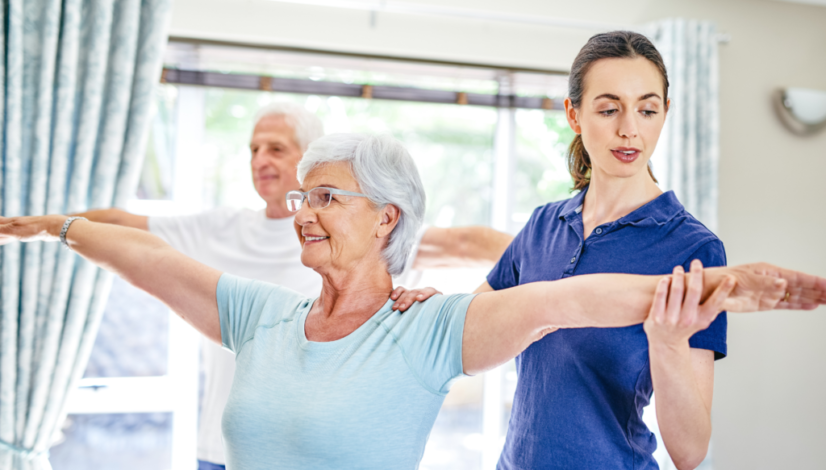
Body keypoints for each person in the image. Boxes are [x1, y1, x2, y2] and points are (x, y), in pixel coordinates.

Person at [3, 133, 824, 469]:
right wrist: (62, 225)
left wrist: (718, 287)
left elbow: (569, 300)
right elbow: (148, 258)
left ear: (386, 218)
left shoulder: (432, 330)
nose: (305, 212)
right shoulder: (261, 314)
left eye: (326, 196)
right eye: (302, 200)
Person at [76, 103, 510, 470]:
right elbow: (132, 238)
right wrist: (55, 225)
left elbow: (473, 244)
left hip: (319, 444)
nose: (260, 160)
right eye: (254, 149)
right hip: (224, 444)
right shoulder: (221, 228)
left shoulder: (364, 226)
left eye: (276, 149)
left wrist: (462, 307)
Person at [479, 31, 768, 470]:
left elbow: (690, 452)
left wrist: (667, 344)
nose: (629, 128)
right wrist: (431, 307)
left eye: (647, 110)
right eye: (609, 109)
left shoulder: (693, 248)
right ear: (573, 115)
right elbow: (471, 331)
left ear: (664, 114)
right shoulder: (542, 225)